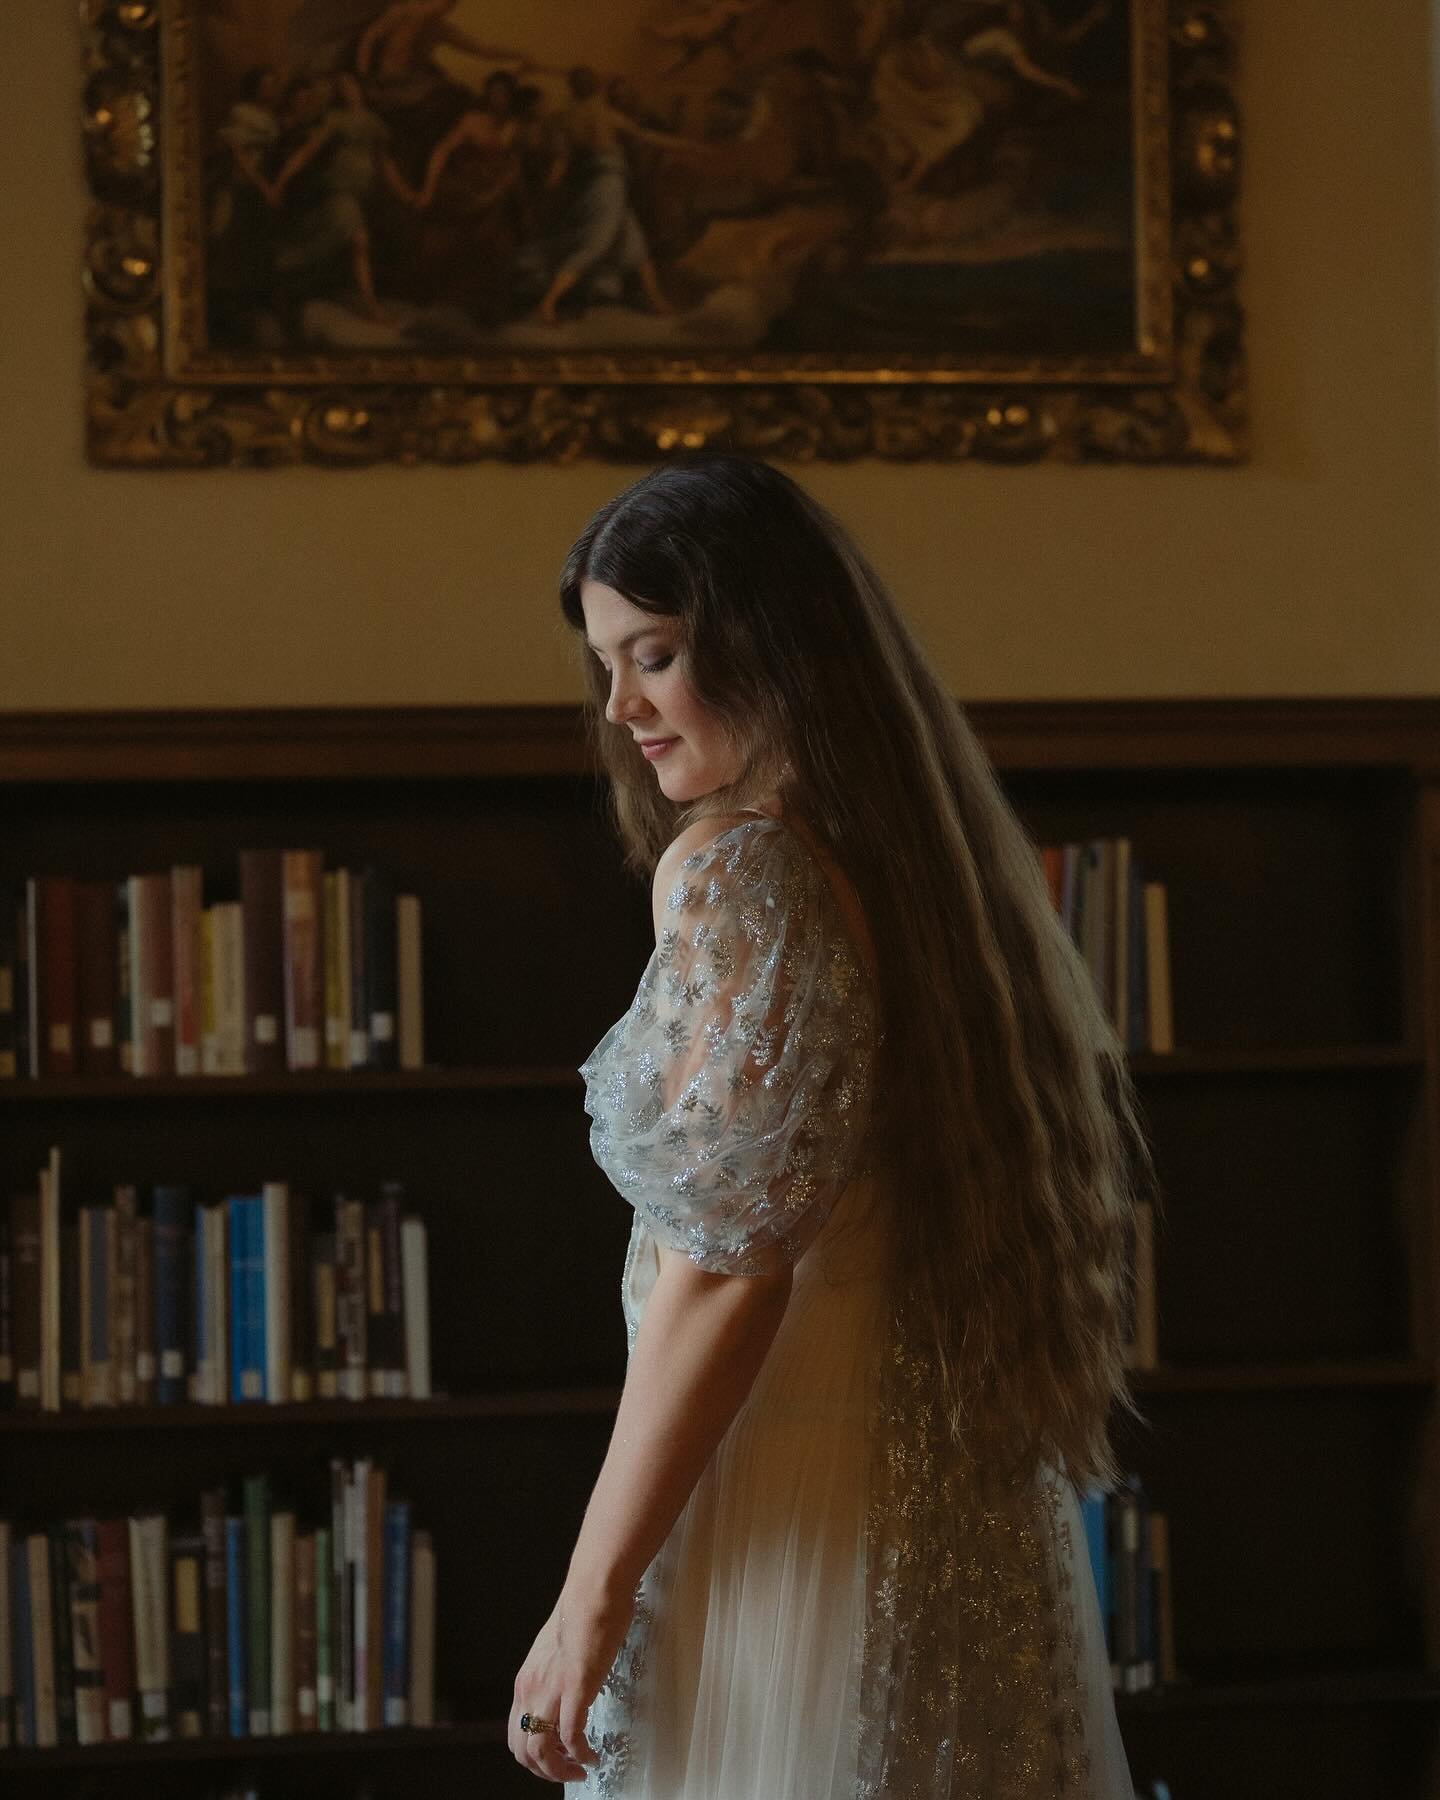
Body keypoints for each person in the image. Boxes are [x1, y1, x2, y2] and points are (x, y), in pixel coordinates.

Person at [510, 452, 1153, 1798]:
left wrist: (591, 1591)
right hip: (934, 1505)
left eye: (659, 653)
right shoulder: (919, 876)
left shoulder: (742, 869)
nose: (622, 704)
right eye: (607, 664)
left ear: (766, 642)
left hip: (788, 1508)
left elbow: (721, 1273)